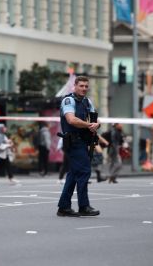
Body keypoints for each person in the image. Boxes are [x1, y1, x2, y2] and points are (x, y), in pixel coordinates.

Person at [57, 76, 100, 217]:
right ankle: (84, 206)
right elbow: (71, 120)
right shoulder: (68, 100)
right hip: (73, 141)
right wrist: (89, 125)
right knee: (84, 171)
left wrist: (96, 124)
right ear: (74, 86)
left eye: (86, 86)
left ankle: (63, 207)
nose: (84, 89)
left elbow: (95, 119)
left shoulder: (87, 102)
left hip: (83, 141)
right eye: (81, 86)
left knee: (74, 174)